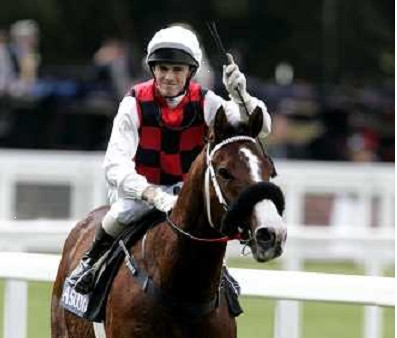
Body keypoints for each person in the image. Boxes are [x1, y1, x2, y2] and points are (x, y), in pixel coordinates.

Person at [68, 24, 272, 293]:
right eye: (162, 69)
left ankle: (220, 271)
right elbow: (114, 165)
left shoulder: (207, 102)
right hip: (141, 191)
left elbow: (260, 128)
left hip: (186, 193)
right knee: (121, 213)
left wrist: (240, 94)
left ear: (191, 72)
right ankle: (91, 263)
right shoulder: (133, 103)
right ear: (153, 69)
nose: (168, 77)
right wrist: (152, 194)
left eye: (177, 70)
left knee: (209, 224)